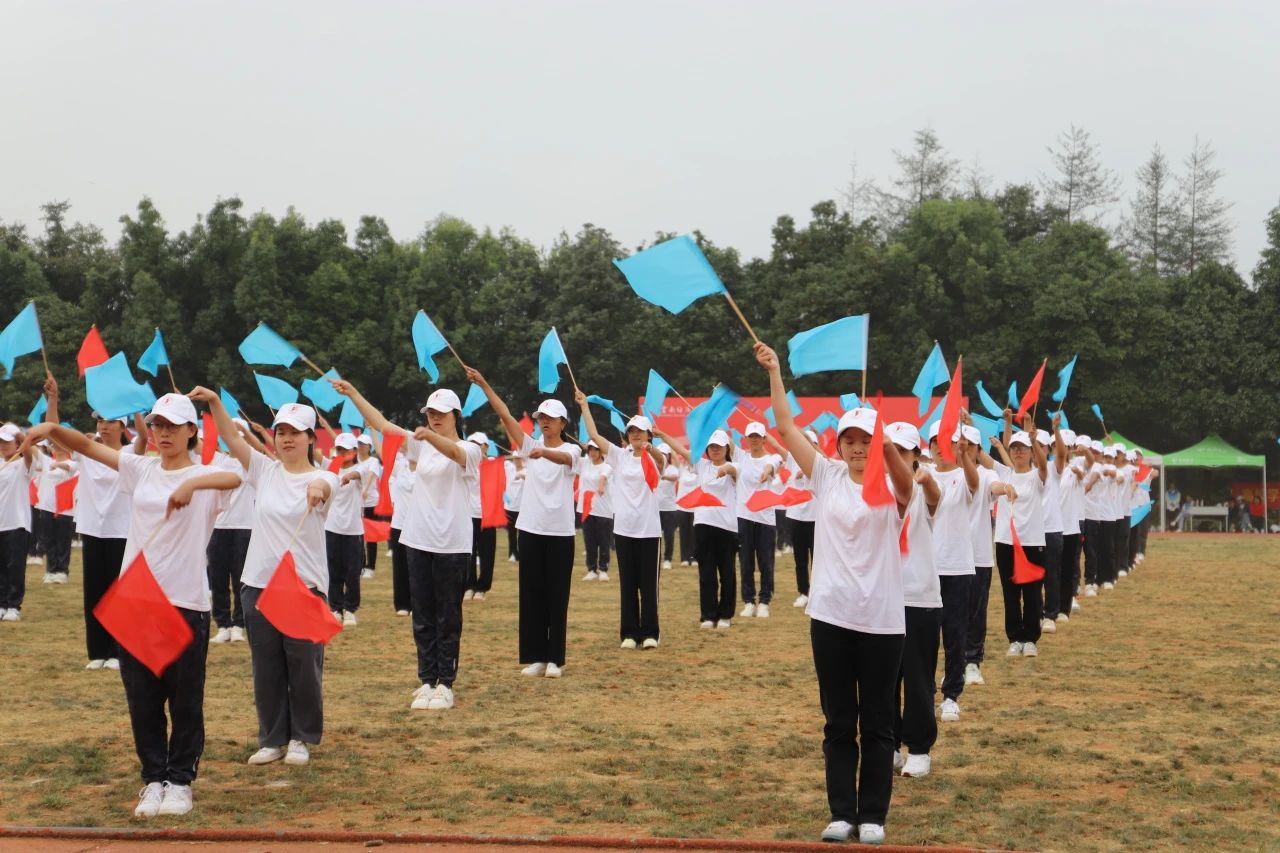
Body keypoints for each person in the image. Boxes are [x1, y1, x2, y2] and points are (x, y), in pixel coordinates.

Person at [24, 393, 241, 818]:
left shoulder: (210, 474)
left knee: (184, 701)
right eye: (157, 425)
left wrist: (191, 484)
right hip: (139, 601)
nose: (162, 433)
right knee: (142, 700)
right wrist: (50, 428)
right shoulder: (139, 468)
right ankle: (153, 779)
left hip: (185, 601)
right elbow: (87, 446)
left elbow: (235, 481)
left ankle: (180, 781)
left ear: (191, 431)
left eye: (172, 427)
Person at [755, 341, 914, 846]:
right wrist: (776, 372)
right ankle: (842, 813)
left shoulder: (892, 486)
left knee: (880, 724)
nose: (856, 447)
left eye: (864, 440)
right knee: (839, 721)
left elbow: (909, 485)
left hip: (883, 621)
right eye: (848, 439)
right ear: (838, 444)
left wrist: (884, 440)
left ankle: (874, 816)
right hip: (831, 616)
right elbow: (784, 426)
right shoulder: (824, 476)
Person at [193, 392, 337, 768]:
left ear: (310, 438)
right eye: (281, 432)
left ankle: (302, 738)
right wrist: (214, 404)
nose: (287, 439)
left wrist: (315, 492)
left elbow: (324, 491)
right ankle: (272, 737)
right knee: (267, 666)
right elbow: (234, 439)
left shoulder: (324, 476)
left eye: (296, 433)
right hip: (258, 583)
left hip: (303, 585)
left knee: (304, 665)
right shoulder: (264, 471)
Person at [334, 380, 480, 710]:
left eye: (441, 413)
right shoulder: (421, 444)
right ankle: (427, 680)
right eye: (430, 413)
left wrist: (432, 439)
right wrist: (354, 393)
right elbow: (382, 425)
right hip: (417, 539)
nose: (435, 418)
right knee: (423, 613)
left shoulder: (470, 449)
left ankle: (446, 683)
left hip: (452, 544)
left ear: (456, 415)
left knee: (448, 615)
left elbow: (455, 453)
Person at [467, 368, 580, 678]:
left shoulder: (572, 450)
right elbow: (504, 414)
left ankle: (555, 658)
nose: (544, 421)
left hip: (559, 531)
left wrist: (544, 452)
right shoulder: (531, 446)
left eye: (551, 418)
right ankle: (536, 657)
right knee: (532, 594)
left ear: (562, 423)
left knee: (557, 594)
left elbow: (564, 461)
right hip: (529, 529)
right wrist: (485, 383)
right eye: (541, 417)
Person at [43, 377, 147, 666]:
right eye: (100, 419)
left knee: (119, 593)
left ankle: (118, 651)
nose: (103, 424)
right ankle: (98, 652)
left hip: (122, 530)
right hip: (92, 528)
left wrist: (133, 404)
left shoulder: (129, 454)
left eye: (110, 420)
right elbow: (55, 433)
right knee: (95, 593)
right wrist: (53, 400)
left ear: (120, 427)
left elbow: (143, 436)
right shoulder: (87, 450)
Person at [578, 395, 664, 651]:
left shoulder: (655, 457)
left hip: (648, 529)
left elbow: (661, 462)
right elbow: (593, 433)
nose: (636, 435)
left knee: (649, 585)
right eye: (632, 431)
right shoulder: (619, 456)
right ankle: (628, 633)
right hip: (624, 527)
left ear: (649, 434)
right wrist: (584, 406)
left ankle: (650, 633)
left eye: (641, 431)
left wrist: (651, 449)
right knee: (628, 583)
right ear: (627, 435)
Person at [886, 422, 942, 780]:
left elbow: (935, 495)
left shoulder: (924, 488)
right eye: (892, 451)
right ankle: (888, 744)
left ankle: (919, 748)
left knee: (918, 678)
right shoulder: (870, 489)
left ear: (916, 456)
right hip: (881, 599)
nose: (899, 459)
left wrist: (925, 478)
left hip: (919, 597)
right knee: (883, 679)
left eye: (904, 452)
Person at [654, 426, 738, 629]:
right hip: (703, 525)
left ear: (727, 448)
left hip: (727, 527)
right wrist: (663, 433)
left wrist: (724, 469)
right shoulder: (701, 465)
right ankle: (708, 615)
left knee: (727, 573)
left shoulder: (735, 467)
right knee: (706, 573)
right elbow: (680, 450)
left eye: (719, 447)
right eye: (712, 447)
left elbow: (732, 470)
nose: (715, 450)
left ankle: (725, 614)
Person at [924, 421, 980, 717]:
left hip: (957, 568)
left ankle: (951, 696)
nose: (940, 449)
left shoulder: (963, 475)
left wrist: (965, 457)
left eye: (946, 444)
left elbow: (975, 484)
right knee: (925, 637)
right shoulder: (921, 475)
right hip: (925, 569)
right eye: (936, 444)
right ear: (930, 448)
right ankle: (926, 691)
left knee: (955, 634)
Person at [993, 412, 1049, 658]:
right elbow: (982, 457)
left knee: (1033, 594)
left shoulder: (1037, 476)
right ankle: (1015, 638)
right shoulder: (1004, 474)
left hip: (1032, 542)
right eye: (1014, 448)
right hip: (1006, 542)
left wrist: (1034, 440)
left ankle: (1031, 639)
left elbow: (1045, 465)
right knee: (1011, 593)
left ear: (1030, 452)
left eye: (1023, 448)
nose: (1018, 452)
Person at [206, 418, 259, 645]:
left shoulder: (251, 464)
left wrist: (246, 431)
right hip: (218, 527)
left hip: (244, 527)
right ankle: (223, 624)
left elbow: (260, 449)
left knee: (241, 579)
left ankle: (239, 624)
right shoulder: (215, 460)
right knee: (217, 579)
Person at [736, 421, 782, 618]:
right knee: (746, 562)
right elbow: (725, 443)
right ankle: (748, 601)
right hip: (744, 517)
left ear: (764, 439)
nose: (754, 440)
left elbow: (774, 464)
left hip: (765, 518)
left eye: (758, 436)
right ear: (746, 439)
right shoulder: (741, 457)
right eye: (751, 436)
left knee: (766, 562)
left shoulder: (772, 458)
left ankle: (764, 601)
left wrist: (768, 471)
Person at [323, 433, 366, 626]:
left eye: (346, 450)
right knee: (333, 570)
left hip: (353, 530)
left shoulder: (362, 468)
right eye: (339, 449)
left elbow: (361, 474)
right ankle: (335, 608)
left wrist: (349, 475)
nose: (342, 453)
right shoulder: (329, 469)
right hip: (331, 527)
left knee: (352, 572)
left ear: (354, 451)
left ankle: (350, 609)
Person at [0, 422, 38, 622]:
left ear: (16, 445)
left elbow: (29, 452)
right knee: (1, 568)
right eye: (1, 442)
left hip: (17, 523)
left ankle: (14, 605)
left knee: (14, 567)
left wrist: (19, 434)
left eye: (8, 442)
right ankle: (2, 603)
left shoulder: (22, 464)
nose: (4, 446)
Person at [1036, 425, 1068, 634]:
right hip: (1031, 531)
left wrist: (1056, 430)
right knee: (1033, 577)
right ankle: (1036, 613)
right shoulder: (1026, 471)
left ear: (1047, 448)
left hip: (1052, 530)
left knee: (1051, 576)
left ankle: (1050, 615)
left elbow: (1063, 454)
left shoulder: (1053, 469)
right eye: (1034, 445)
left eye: (1041, 445)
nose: (1037, 448)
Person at [786, 429, 820, 608]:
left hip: (816, 518)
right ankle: (803, 592)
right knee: (800, 559)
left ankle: (816, 593)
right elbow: (783, 439)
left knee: (818, 559)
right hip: (796, 516)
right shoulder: (792, 459)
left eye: (810, 444)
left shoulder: (820, 464)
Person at [34, 440, 76, 585]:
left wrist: (57, 464)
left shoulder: (72, 464)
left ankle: (62, 571)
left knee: (62, 541)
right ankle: (51, 570)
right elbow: (33, 451)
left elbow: (68, 467)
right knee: (48, 540)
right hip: (46, 507)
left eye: (59, 445)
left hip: (65, 509)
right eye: (54, 445)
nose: (56, 447)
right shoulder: (45, 461)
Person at [464, 432, 496, 601]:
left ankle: (482, 587)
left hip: (487, 515)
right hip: (467, 513)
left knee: (487, 552)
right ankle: (468, 585)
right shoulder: (466, 464)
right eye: (472, 443)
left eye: (479, 444)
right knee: (468, 551)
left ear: (486, 447)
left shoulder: (492, 464)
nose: (475, 447)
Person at [384, 434, 414, 616]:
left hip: (419, 526)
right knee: (400, 565)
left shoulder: (426, 470)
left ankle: (417, 603)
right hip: (399, 524)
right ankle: (402, 604)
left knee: (418, 567)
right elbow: (383, 455)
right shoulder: (400, 467)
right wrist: (373, 431)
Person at [577, 440, 613, 581]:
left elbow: (603, 477)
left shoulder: (607, 466)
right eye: (591, 449)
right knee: (589, 542)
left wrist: (601, 486)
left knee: (604, 542)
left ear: (601, 451)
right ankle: (591, 570)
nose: (593, 452)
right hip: (587, 510)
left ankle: (603, 569)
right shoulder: (585, 463)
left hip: (603, 510)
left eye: (596, 450)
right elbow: (569, 458)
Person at [356, 434, 384, 580]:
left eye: (363, 444)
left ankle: (370, 567)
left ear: (369, 447)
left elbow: (372, 474)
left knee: (370, 535)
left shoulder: (373, 461)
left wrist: (366, 489)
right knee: (359, 535)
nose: (360, 447)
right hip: (358, 503)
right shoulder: (355, 460)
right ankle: (361, 565)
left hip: (371, 502)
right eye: (358, 444)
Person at [656, 445, 679, 570]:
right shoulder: (653, 468)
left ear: (669, 455)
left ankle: (668, 559)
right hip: (655, 508)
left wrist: (663, 476)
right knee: (655, 535)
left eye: (665, 454)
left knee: (669, 535)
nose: (662, 456)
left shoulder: (672, 469)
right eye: (660, 453)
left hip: (669, 509)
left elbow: (675, 477)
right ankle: (656, 558)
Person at [672, 454, 698, 566]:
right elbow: (675, 454)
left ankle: (694, 558)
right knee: (683, 533)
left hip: (695, 507)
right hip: (681, 507)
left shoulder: (699, 471)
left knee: (694, 534)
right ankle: (684, 558)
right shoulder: (682, 469)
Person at [503, 454, 524, 563]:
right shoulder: (508, 467)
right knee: (511, 532)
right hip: (509, 507)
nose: (517, 461)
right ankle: (512, 553)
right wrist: (510, 456)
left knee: (522, 534)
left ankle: (521, 553)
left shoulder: (526, 470)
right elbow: (498, 461)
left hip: (522, 508)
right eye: (515, 459)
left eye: (519, 458)